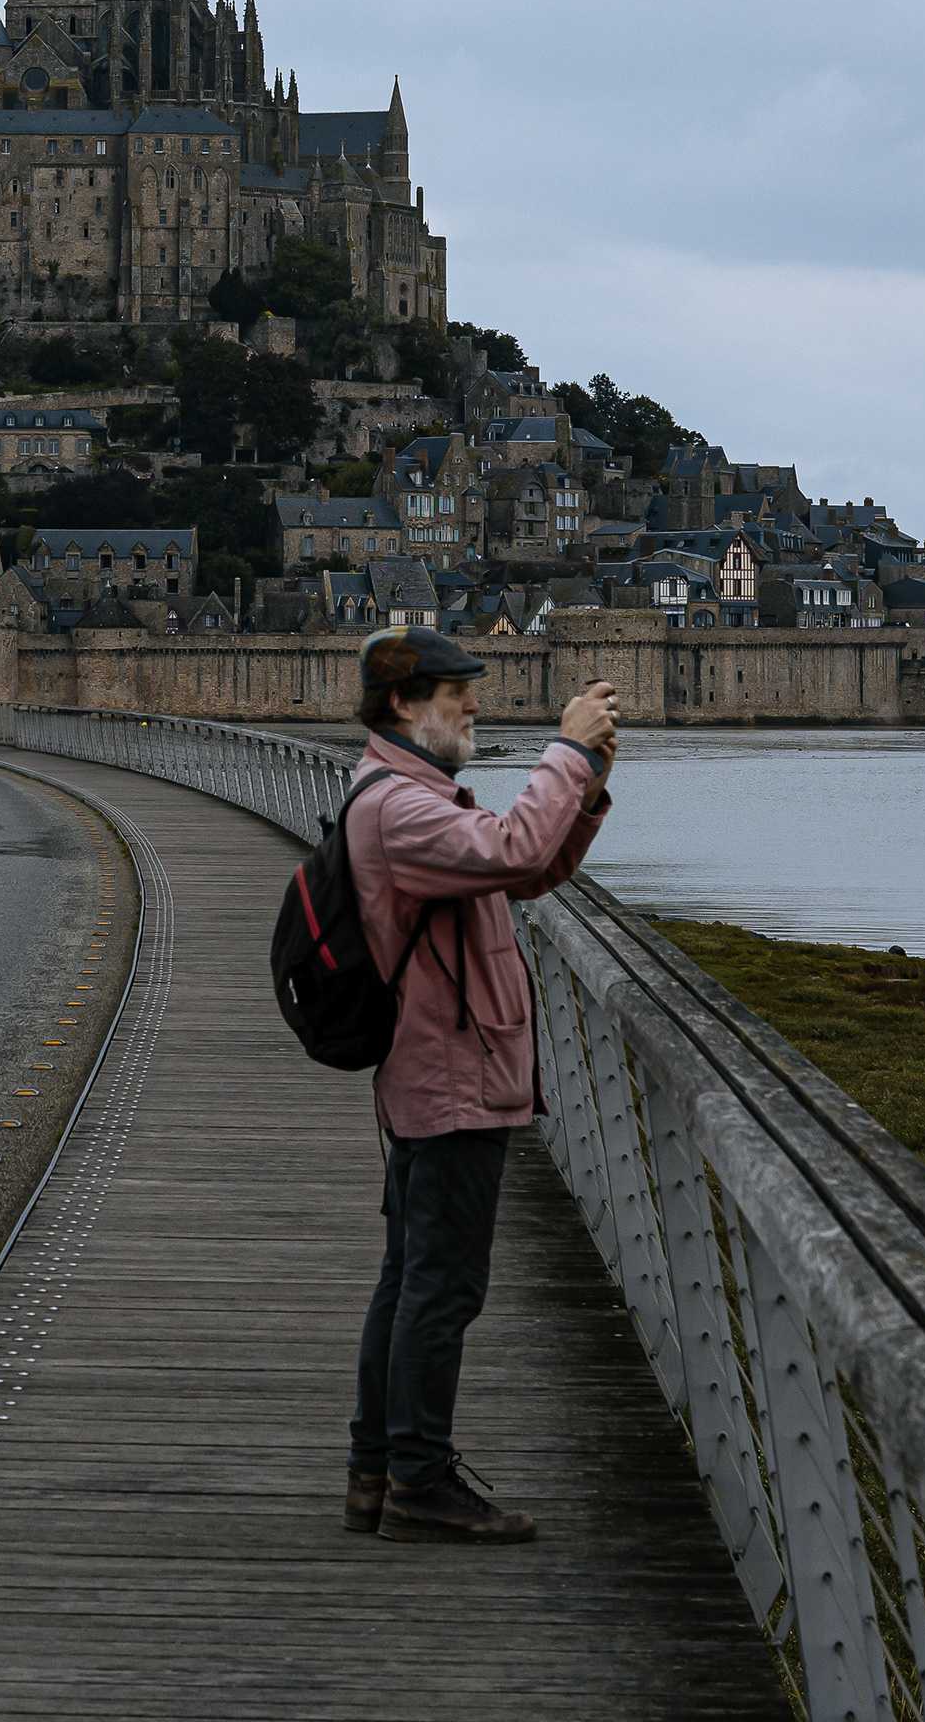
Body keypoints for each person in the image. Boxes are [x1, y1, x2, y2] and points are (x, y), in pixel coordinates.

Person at [339, 625, 618, 1545]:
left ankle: (377, 1471)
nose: (473, 702)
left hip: (441, 1069)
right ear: (407, 704)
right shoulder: (401, 809)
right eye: (458, 689)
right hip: (451, 1074)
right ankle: (418, 1481)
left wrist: (583, 793)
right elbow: (504, 849)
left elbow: (525, 870)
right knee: (441, 1288)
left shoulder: (408, 797)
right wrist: (566, 750)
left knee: (410, 1279)